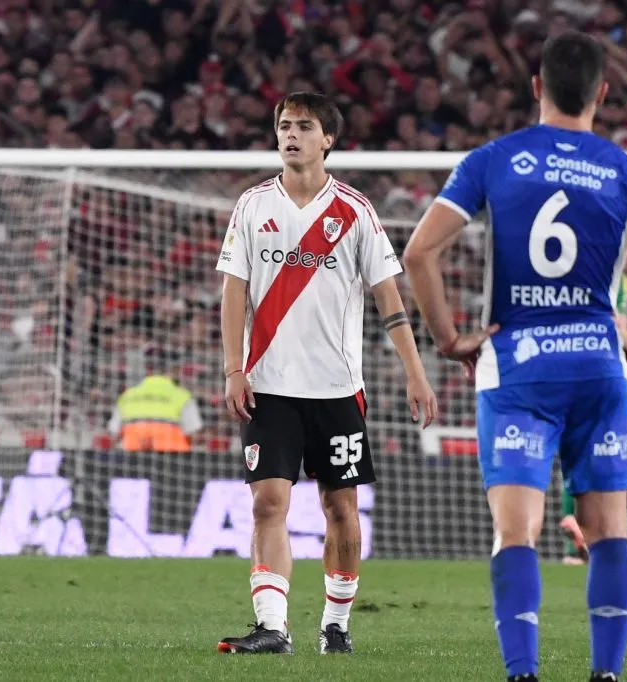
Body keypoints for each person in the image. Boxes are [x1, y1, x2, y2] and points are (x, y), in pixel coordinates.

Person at [403, 31, 627, 682]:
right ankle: (606, 674)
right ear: (603, 92)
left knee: (516, 532)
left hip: (517, 368)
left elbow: (419, 254)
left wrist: (449, 338)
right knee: (608, 531)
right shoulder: (626, 171)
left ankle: (523, 672)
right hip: (597, 367)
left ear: (537, 87)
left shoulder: (493, 159)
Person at [215, 92, 438, 655]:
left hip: (337, 390)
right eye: (284, 125)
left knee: (340, 508)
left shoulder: (355, 211)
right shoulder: (252, 205)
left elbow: (389, 299)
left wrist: (415, 372)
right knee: (268, 503)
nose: (291, 135)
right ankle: (272, 627)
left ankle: (335, 625)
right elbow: (234, 290)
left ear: (328, 139)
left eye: (304, 126)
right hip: (268, 386)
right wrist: (234, 367)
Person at [106, 348, 204, 453]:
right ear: (174, 369)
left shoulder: (127, 395)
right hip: (172, 456)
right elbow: (194, 434)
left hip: (133, 456)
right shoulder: (182, 396)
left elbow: (113, 433)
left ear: (147, 369)